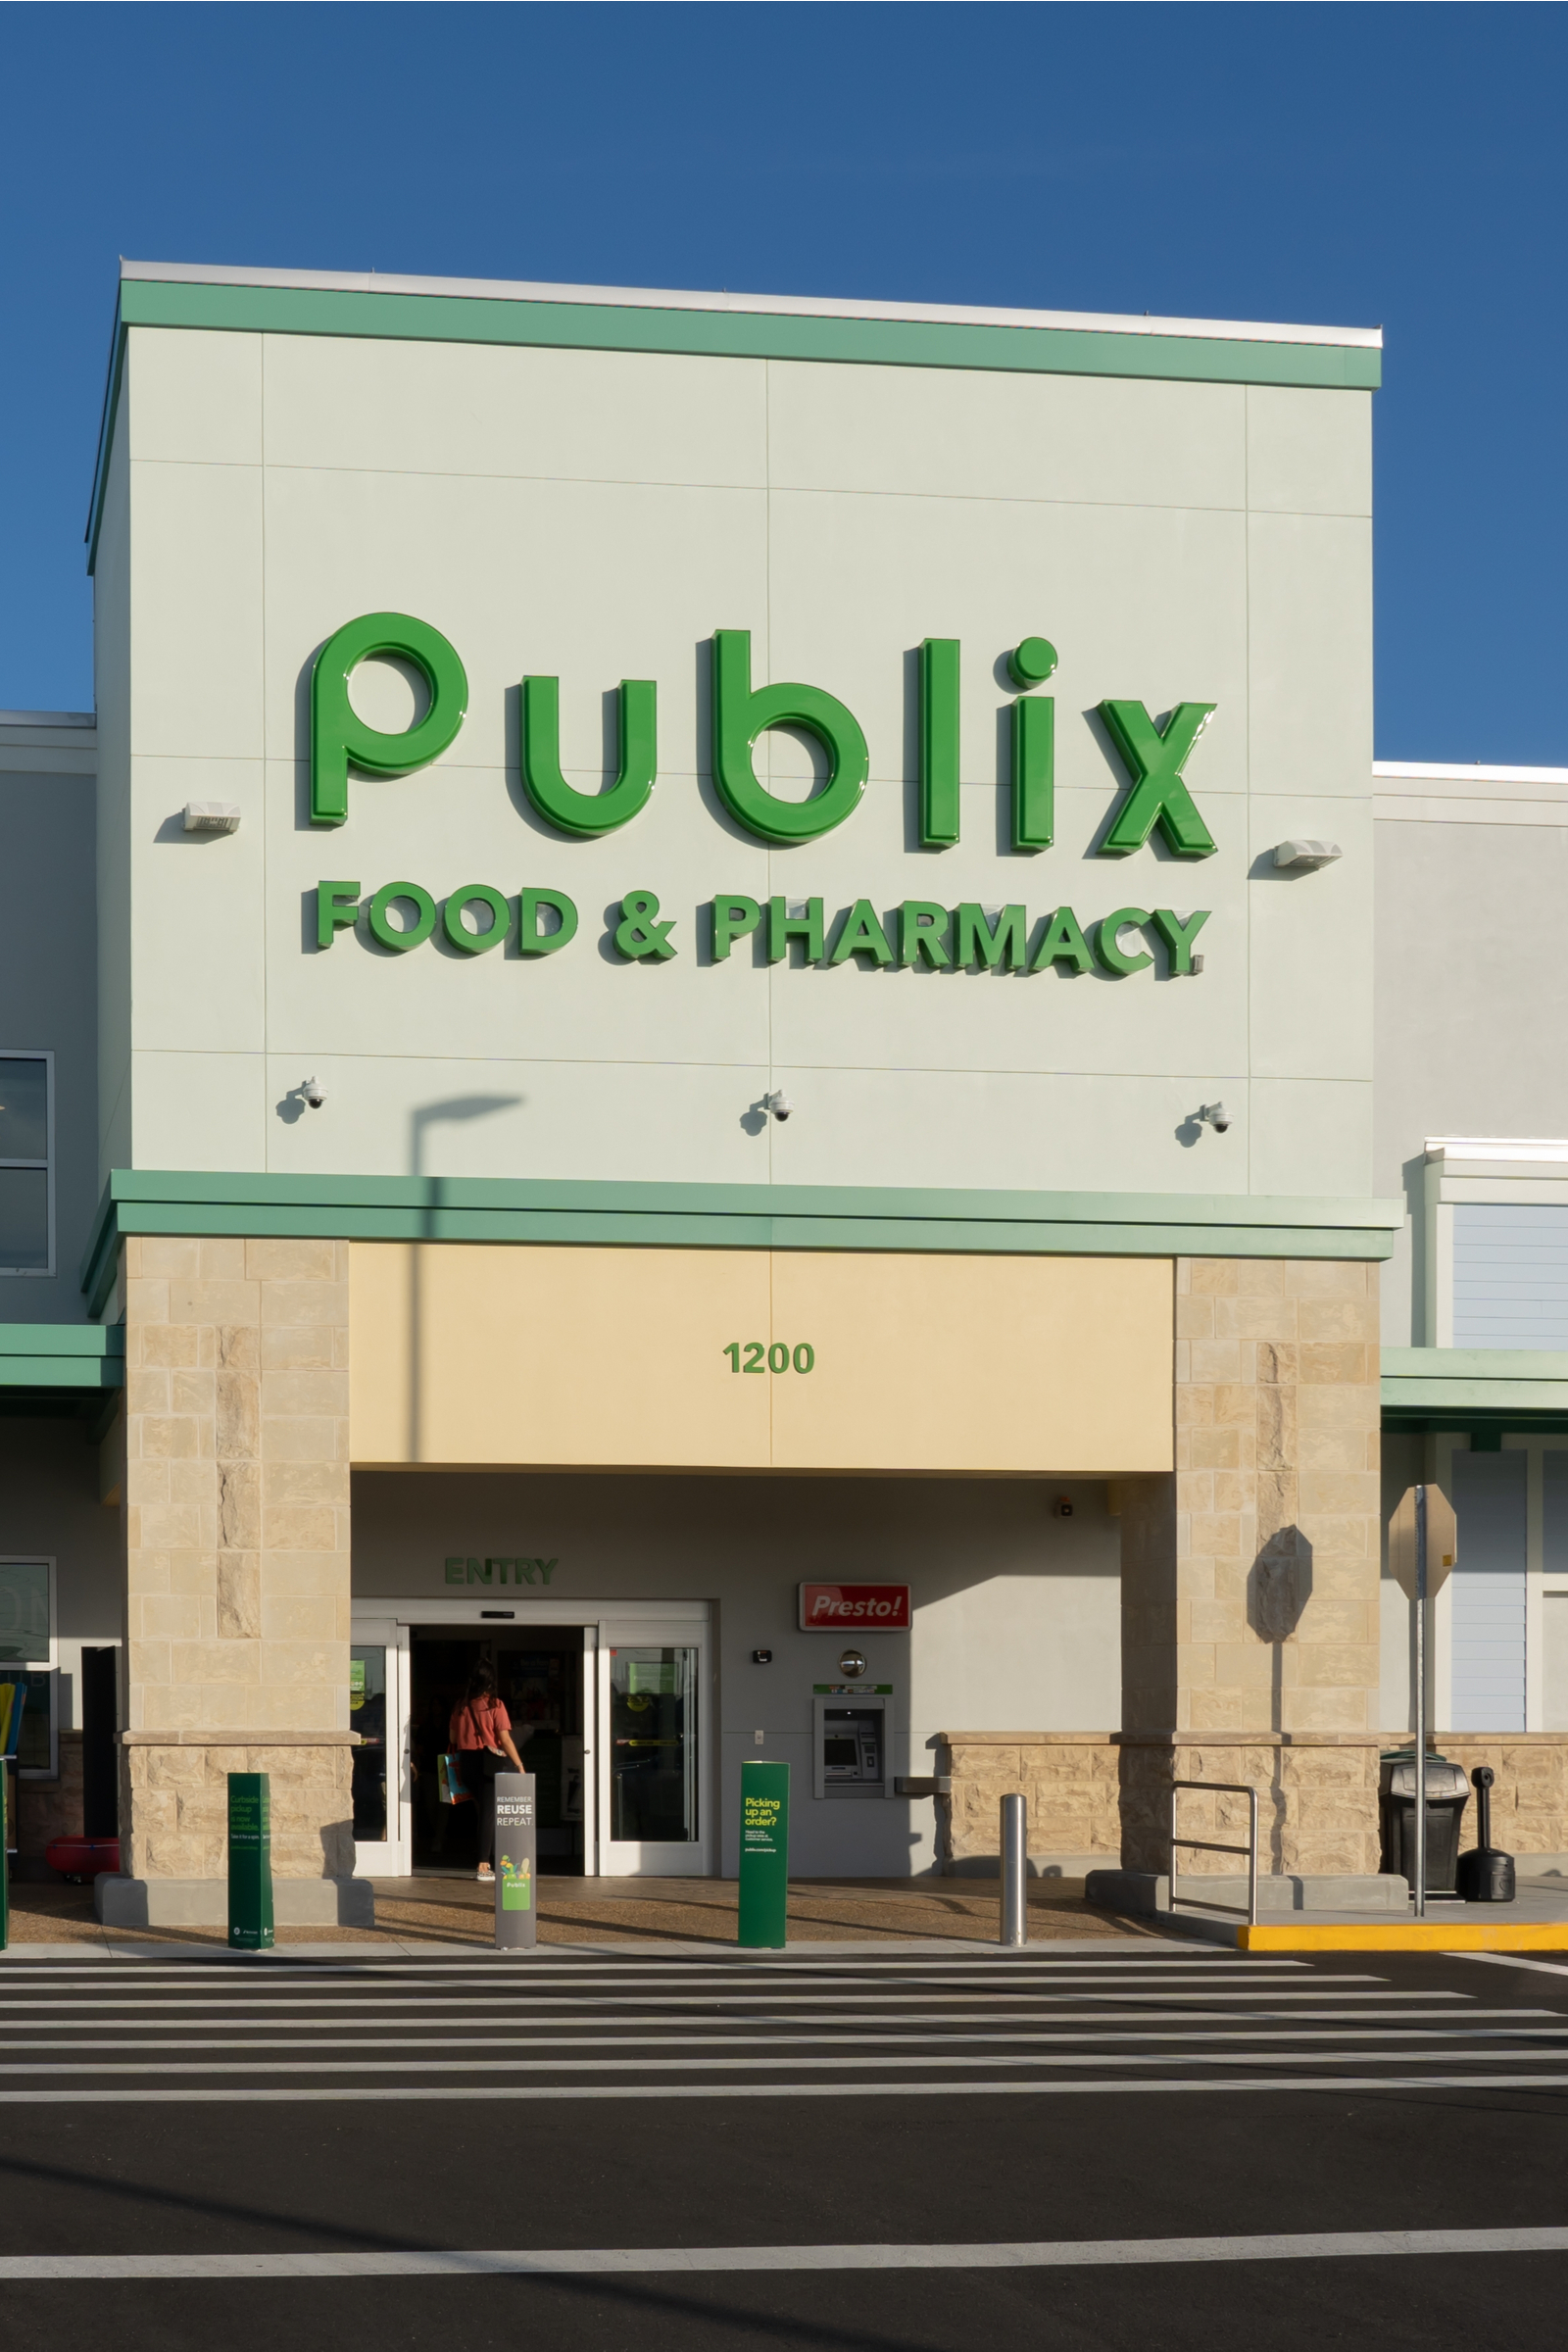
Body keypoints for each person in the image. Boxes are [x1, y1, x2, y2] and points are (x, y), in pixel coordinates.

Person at [449, 1660, 527, 1882]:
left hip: (466, 1763)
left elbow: (452, 1738)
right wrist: (520, 1765)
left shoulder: (460, 1705)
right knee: (488, 1814)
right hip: (488, 1763)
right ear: (490, 1681)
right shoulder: (495, 1705)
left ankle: (483, 1857)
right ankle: (483, 1864)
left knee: (483, 1810)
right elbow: (505, 1740)